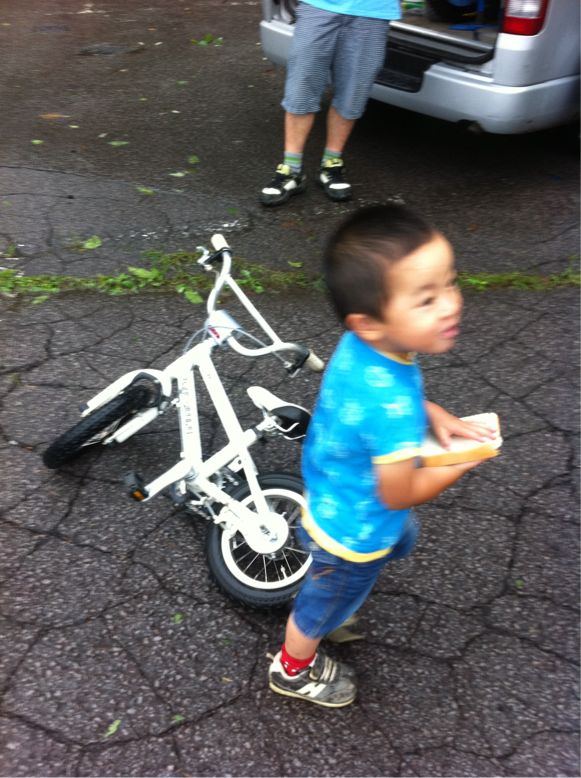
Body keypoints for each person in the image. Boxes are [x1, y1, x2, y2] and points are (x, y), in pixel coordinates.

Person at [268, 204, 498, 706]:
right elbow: (398, 493)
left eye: (451, 283)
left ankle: (334, 605)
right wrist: (462, 463)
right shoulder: (387, 403)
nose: (450, 305)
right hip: (353, 534)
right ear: (370, 322)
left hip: (333, 494)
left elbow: (381, 408)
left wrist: (432, 413)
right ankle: (292, 670)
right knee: (318, 609)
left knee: (394, 544)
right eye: (426, 299)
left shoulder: (364, 347)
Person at [260, 0, 400, 207]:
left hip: (374, 11)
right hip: (319, 6)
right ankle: (292, 169)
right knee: (301, 89)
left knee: (353, 93)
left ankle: (331, 164)